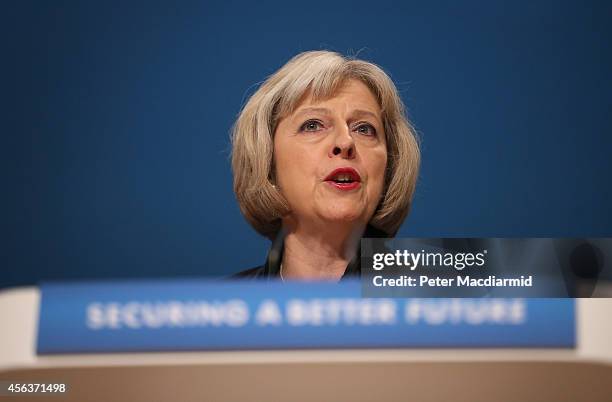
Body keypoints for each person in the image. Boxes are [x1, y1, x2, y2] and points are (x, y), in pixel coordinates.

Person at [231, 50, 420, 280]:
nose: (345, 142)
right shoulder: (221, 309)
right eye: (312, 125)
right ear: (266, 160)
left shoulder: (447, 296)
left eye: (364, 129)